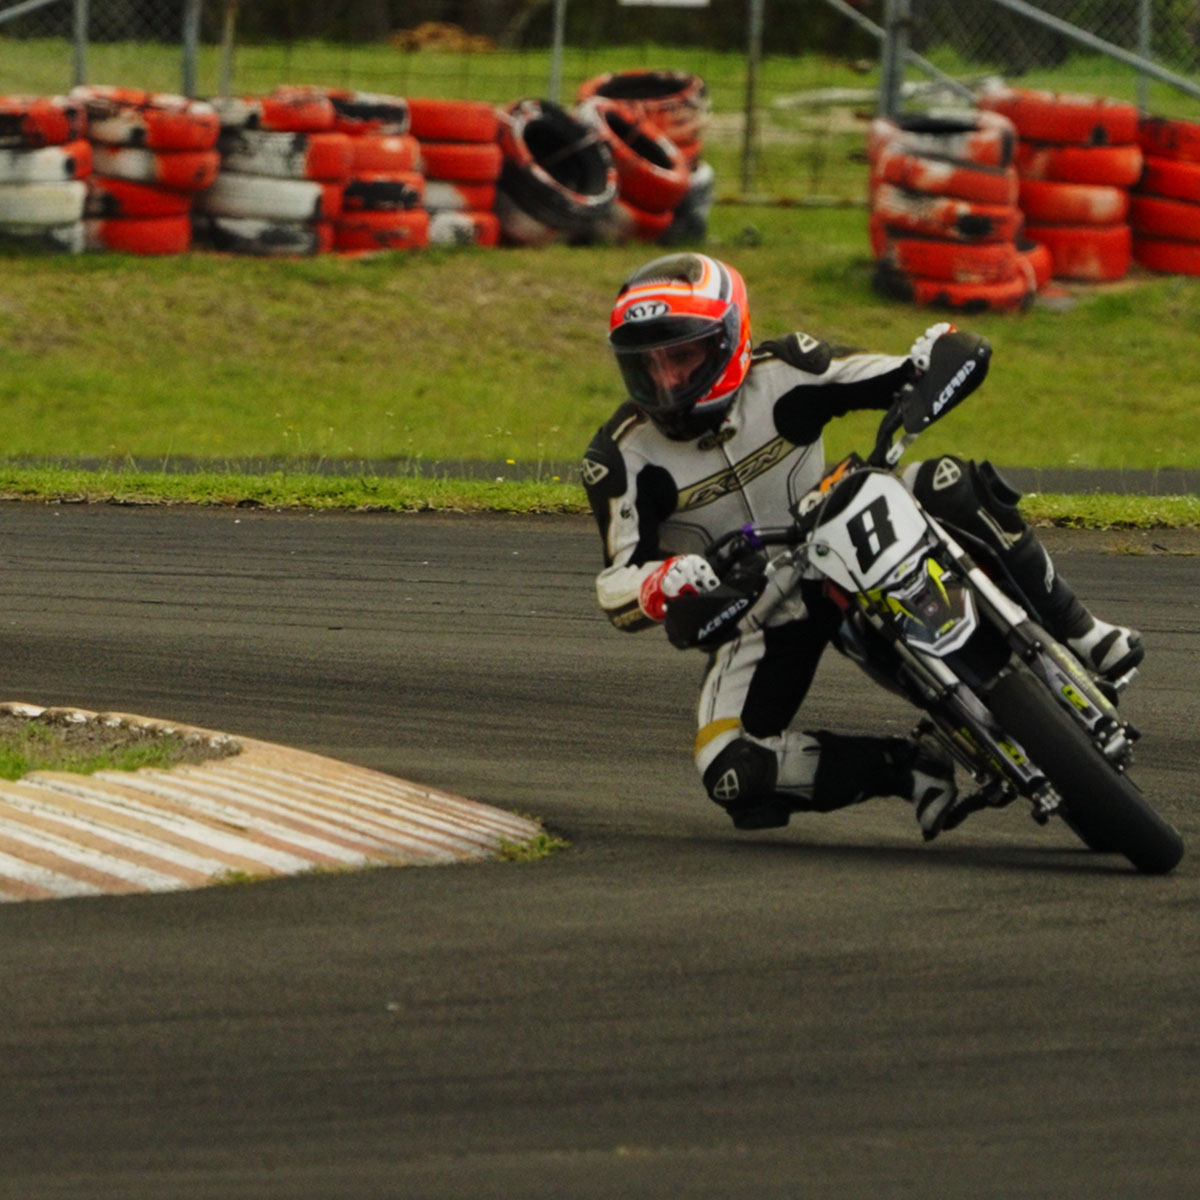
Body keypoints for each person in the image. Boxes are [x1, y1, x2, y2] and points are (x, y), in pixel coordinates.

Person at [581, 252, 1144, 839]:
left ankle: (1081, 629)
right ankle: (907, 770)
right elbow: (614, 582)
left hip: (843, 535)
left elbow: (901, 373)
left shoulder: (787, 367)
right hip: (759, 608)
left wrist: (931, 360)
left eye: (683, 355)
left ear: (729, 339)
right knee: (731, 768)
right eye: (646, 366)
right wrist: (659, 584)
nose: (667, 381)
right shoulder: (620, 456)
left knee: (945, 481)